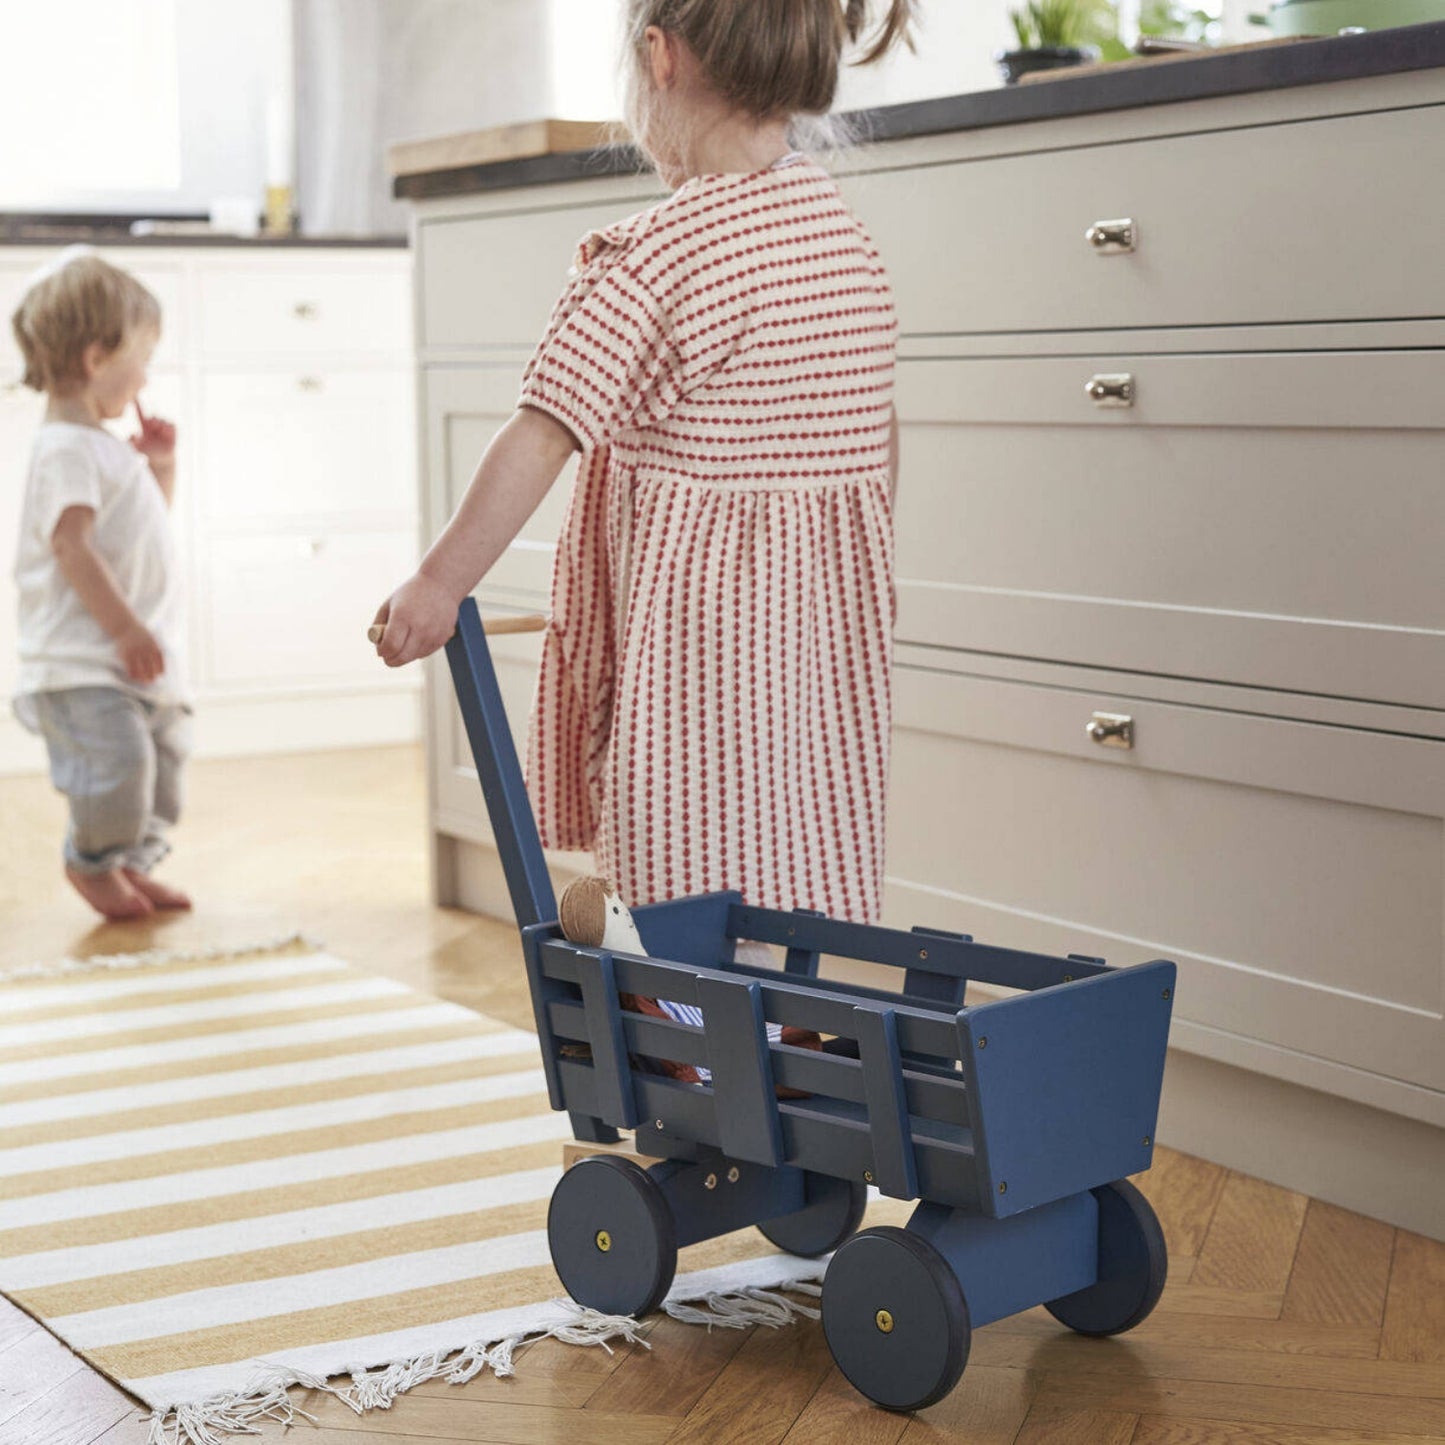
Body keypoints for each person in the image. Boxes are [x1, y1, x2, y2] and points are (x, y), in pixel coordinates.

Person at [374, 0, 912, 923]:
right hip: (814, 655)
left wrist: (438, 582)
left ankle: (684, 1044)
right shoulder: (841, 239)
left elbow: (543, 430)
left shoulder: (658, 254)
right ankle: (780, 1035)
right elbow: (879, 445)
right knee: (789, 856)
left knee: (680, 864)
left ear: (659, 58)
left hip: (699, 654)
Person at [10, 248, 191, 919]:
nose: (145, 375)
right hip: (86, 662)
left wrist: (161, 469)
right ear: (95, 359)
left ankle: (129, 862)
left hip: (134, 657)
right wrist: (123, 627)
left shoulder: (106, 447)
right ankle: (90, 862)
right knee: (118, 771)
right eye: (141, 358)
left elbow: (135, 536)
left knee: (165, 768)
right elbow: (70, 543)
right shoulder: (64, 449)